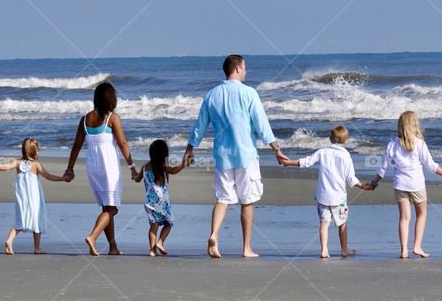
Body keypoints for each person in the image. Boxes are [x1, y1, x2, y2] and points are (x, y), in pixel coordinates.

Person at [185, 55, 288, 258]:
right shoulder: (249, 93)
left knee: (223, 198)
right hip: (245, 155)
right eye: (245, 68)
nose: (246, 72)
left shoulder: (212, 94)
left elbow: (200, 125)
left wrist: (190, 148)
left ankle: (214, 235)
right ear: (238, 69)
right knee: (247, 201)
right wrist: (276, 148)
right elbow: (261, 124)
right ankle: (246, 248)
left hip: (222, 156)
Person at [63, 82, 136, 256]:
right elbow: (123, 143)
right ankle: (92, 236)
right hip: (108, 167)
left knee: (106, 207)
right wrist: (132, 166)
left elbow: (76, 146)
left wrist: (70, 168)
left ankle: (113, 247)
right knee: (112, 208)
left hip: (93, 167)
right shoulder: (113, 118)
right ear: (112, 99)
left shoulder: (85, 119)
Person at [370, 111, 442, 259]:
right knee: (421, 214)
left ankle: (403, 250)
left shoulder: (392, 144)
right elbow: (431, 166)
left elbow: (382, 168)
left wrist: (373, 183)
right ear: (415, 125)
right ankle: (417, 246)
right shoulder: (419, 143)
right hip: (417, 185)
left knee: (404, 218)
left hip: (400, 185)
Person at [279, 125, 373, 258]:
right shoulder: (346, 156)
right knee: (342, 224)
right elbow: (351, 179)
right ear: (346, 141)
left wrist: (289, 163)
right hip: (339, 198)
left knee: (324, 223)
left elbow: (306, 162)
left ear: (330, 139)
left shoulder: (322, 152)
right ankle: (344, 249)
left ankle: (324, 250)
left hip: (323, 196)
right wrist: (363, 186)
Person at [0, 138, 71, 255]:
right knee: (37, 219)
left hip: (22, 198)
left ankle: (9, 240)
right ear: (35, 151)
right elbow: (49, 176)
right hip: (35, 198)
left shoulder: (17, 163)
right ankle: (37, 248)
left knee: (20, 221)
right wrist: (63, 178)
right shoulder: (36, 165)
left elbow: (3, 167)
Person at [131, 139, 190, 257]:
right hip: (162, 201)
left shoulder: (145, 166)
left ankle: (152, 250)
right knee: (169, 223)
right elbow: (173, 171)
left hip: (149, 201)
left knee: (154, 225)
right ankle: (160, 242)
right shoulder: (162, 166)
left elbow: (137, 179)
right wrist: (183, 165)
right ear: (164, 155)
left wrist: (134, 175)